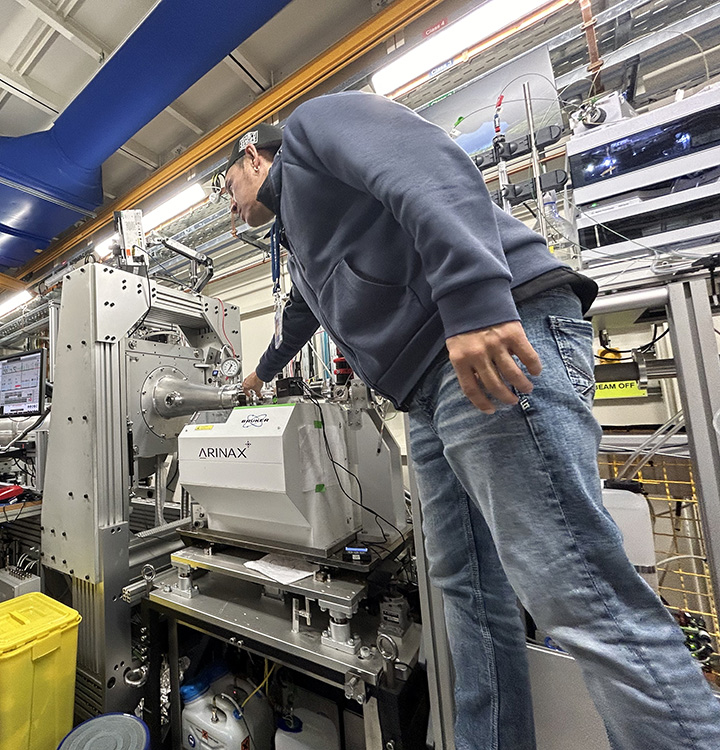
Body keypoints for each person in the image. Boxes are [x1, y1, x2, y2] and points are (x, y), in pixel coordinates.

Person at [226, 92, 720, 749]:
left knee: (578, 592)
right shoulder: (298, 238)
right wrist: (257, 375)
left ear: (253, 158)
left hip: (486, 341)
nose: (225, 200)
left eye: (224, 183)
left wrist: (473, 297)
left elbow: (427, 166)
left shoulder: (315, 128)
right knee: (468, 595)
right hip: (429, 394)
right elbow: (300, 315)